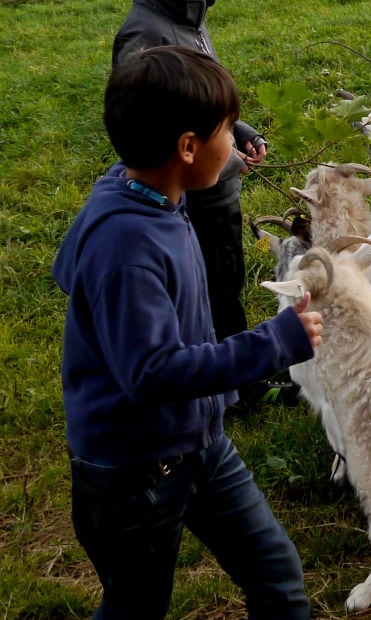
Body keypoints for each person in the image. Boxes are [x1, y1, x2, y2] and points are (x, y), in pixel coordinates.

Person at [53, 46, 323, 619]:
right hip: (135, 472)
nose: (233, 143)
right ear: (187, 148)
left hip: (199, 443)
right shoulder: (126, 244)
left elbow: (68, 269)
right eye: (227, 131)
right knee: (136, 606)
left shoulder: (151, 196)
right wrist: (274, 342)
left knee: (277, 577)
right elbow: (152, 372)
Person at [112, 0, 288, 405]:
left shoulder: (185, 14)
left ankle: (243, 379)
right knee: (205, 289)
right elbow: (158, 132)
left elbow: (202, 99)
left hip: (215, 180)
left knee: (226, 277)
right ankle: (228, 388)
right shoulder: (145, 38)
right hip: (193, 194)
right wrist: (227, 157)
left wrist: (242, 129)